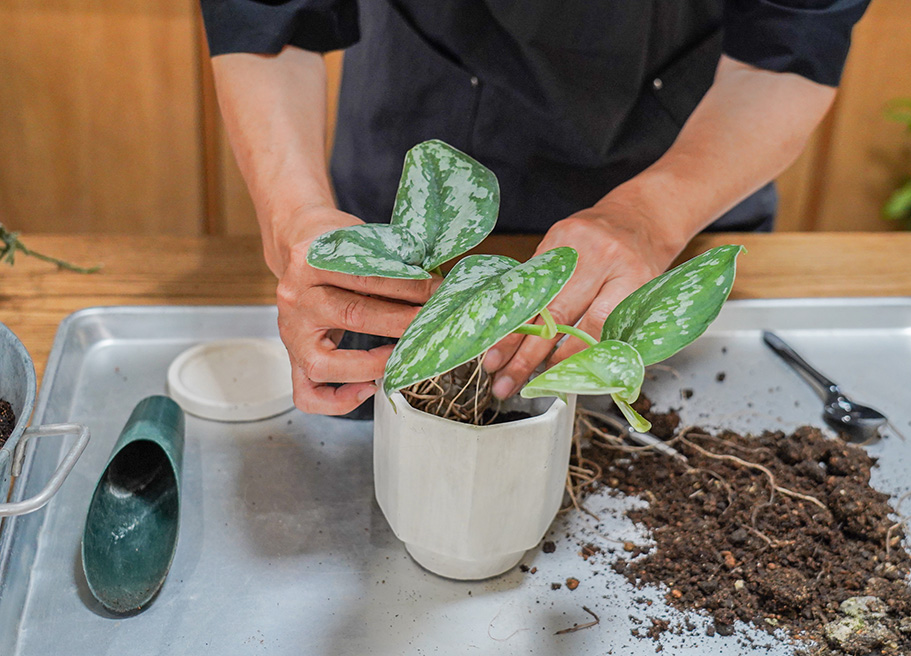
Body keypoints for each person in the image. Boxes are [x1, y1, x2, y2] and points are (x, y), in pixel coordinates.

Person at [200, 0, 869, 417]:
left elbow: (790, 44)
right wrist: (296, 217)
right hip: (430, 122)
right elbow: (268, 16)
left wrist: (652, 215)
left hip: (691, 151)